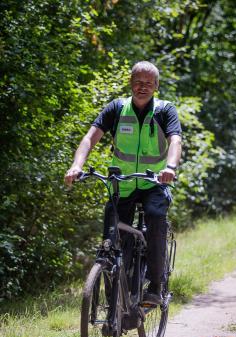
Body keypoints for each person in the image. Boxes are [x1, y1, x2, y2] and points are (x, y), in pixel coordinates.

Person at [65, 61, 182, 304]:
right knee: (113, 242)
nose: (143, 87)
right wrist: (77, 165)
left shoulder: (164, 110)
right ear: (131, 83)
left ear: (156, 86)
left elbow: (175, 141)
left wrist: (170, 167)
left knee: (155, 218)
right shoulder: (117, 108)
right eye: (138, 82)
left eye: (149, 83)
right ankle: (115, 307)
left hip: (154, 183)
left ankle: (155, 285)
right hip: (122, 184)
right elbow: (90, 138)